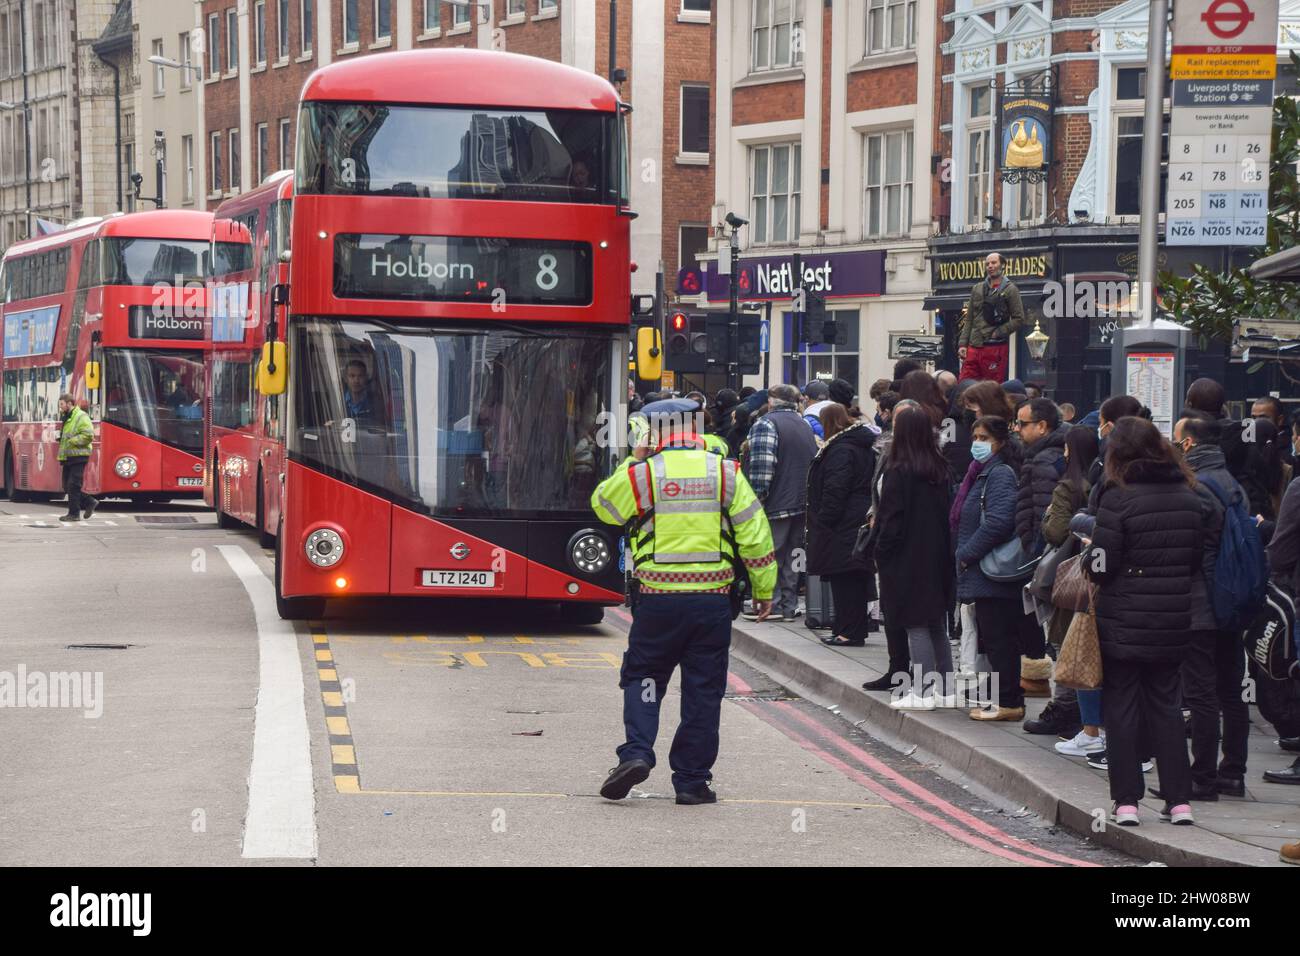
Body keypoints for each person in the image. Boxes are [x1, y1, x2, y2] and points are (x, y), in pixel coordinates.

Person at [591, 413, 776, 805]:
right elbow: (754, 534)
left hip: (657, 601)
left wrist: (633, 460)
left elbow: (605, 507)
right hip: (711, 603)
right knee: (703, 691)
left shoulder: (646, 473)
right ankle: (692, 782)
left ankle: (637, 752)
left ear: (657, 435)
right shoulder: (725, 474)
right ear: (700, 433)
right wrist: (764, 589)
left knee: (644, 677)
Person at [1083, 416, 1200, 827]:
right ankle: (1180, 801)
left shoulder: (1118, 497)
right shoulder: (1189, 495)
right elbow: (1196, 559)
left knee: (1122, 708)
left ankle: (1127, 801)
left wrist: (1088, 553)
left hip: (1124, 619)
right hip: (1173, 617)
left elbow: (1101, 565)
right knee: (1167, 707)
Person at [1173, 409, 1248, 800]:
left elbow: (1193, 549)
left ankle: (1201, 778)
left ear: (1188, 443)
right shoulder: (1232, 483)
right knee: (1230, 691)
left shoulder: (1197, 486)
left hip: (1202, 603)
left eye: (1175, 439)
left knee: (1201, 693)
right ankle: (1233, 772)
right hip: (1233, 600)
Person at [874, 408, 956, 709]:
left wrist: (880, 551)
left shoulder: (898, 470)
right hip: (937, 555)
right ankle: (946, 690)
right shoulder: (940, 468)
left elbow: (891, 520)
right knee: (936, 622)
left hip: (905, 557)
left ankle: (921, 692)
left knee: (914, 623)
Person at [1026, 423, 1098, 741]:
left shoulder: (1067, 486)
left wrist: (1047, 517)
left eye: (1067, 447)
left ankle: (1064, 710)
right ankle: (1083, 717)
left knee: (1065, 642)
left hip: (1069, 574)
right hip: (1092, 574)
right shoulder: (1096, 483)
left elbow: (1056, 531)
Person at [952, 414, 1025, 720]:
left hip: (991, 571)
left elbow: (998, 521)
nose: (977, 444)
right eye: (975, 438)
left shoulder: (1000, 474)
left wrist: (967, 554)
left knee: (1000, 639)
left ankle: (1009, 702)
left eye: (984, 439)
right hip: (982, 570)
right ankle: (1003, 698)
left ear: (1001, 443)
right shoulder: (984, 472)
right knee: (993, 638)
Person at [742, 384, 819, 622]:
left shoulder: (766, 423)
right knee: (794, 557)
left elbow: (762, 469)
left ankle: (771, 604)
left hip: (777, 503)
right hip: (802, 502)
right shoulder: (803, 424)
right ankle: (789, 605)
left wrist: (757, 500)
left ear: (772, 400)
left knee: (770, 555)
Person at [806, 403, 877, 647]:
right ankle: (846, 628)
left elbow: (836, 487)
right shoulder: (855, 445)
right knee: (851, 579)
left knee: (845, 579)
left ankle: (849, 631)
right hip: (854, 518)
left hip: (843, 523)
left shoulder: (841, 449)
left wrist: (825, 518)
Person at [1014, 398, 1067, 694]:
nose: (1017, 429)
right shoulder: (1039, 454)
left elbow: (1042, 510)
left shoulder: (1045, 459)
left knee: (1034, 613)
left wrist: (1032, 546)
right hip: (1037, 546)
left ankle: (1037, 677)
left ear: (1042, 426)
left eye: (1022, 424)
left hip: (1039, 549)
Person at [959, 253, 1026, 382]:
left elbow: (1019, 318)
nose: (990, 266)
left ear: (1003, 265)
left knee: (991, 388)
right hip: (974, 346)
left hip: (995, 348)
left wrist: (998, 332)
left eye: (994, 263)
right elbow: (969, 318)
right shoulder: (977, 288)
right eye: (987, 264)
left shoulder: (1011, 289)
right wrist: (963, 344)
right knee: (964, 384)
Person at [57, 394, 97, 522]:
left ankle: (74, 514)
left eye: (62, 404)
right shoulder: (67, 417)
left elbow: (88, 435)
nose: (60, 407)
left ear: (69, 403)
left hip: (79, 456)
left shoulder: (81, 416)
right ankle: (90, 501)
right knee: (66, 486)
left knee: (73, 485)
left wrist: (72, 441)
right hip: (69, 456)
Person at [342, 359, 381, 427]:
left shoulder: (376, 401)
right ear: (346, 379)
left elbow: (380, 426)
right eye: (352, 376)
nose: (356, 380)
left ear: (366, 378)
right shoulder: (339, 401)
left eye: (360, 376)